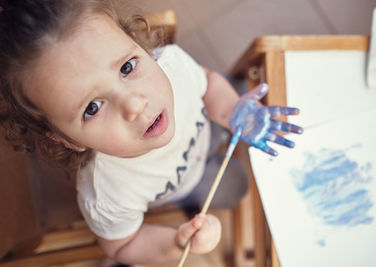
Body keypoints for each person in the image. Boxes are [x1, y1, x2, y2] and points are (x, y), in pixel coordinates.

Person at [0, 0, 302, 265]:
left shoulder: (172, 65)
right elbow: (122, 246)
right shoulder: (106, 194)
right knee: (235, 185)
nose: (135, 104)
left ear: (137, 42)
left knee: (233, 90)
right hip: (189, 183)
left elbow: (207, 83)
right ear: (65, 139)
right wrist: (178, 242)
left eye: (127, 67)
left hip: (207, 126)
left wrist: (233, 112)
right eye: (92, 107)